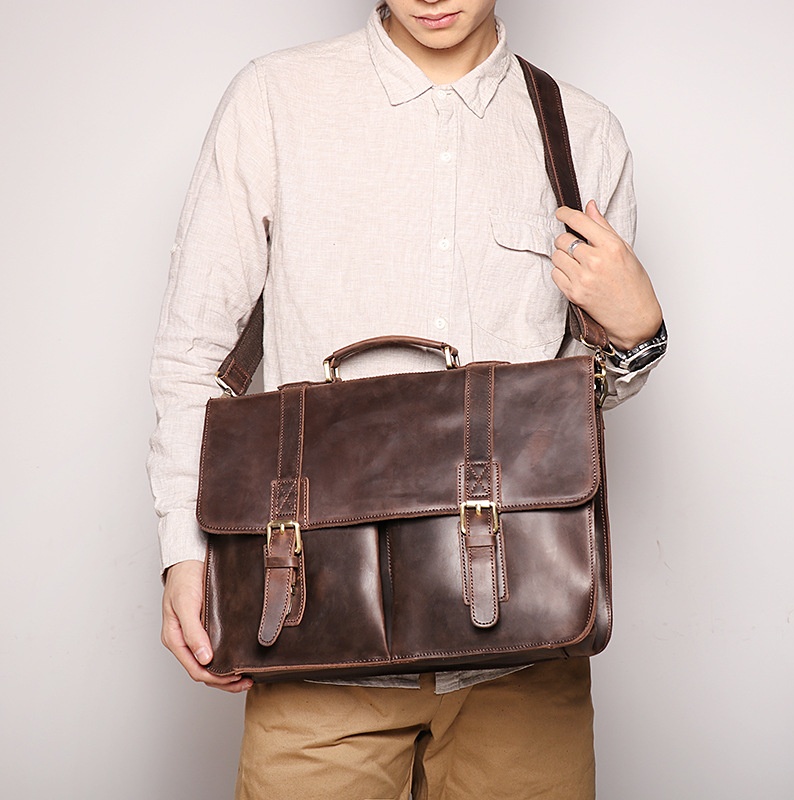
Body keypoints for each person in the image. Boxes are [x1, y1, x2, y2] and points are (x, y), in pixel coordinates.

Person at [148, 1, 666, 797]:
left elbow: (577, 397)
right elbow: (196, 353)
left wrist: (639, 333)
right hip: (314, 632)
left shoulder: (584, 134)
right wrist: (186, 553)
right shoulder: (275, 99)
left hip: (524, 649)